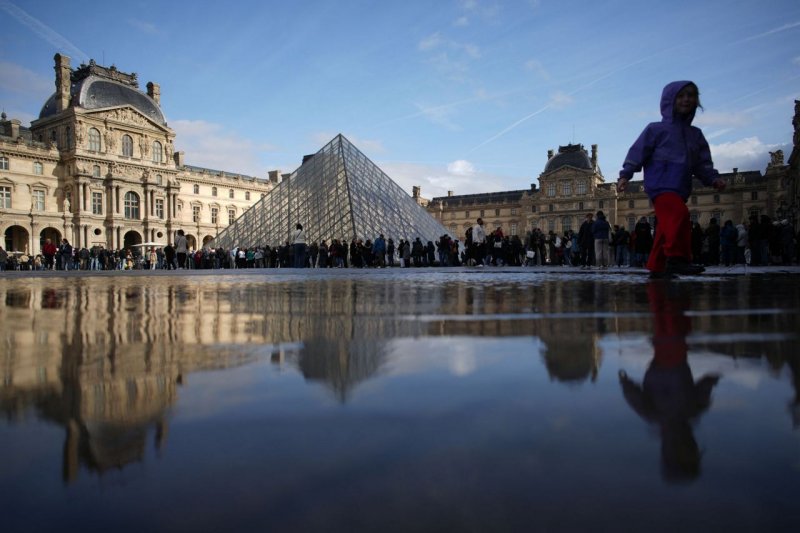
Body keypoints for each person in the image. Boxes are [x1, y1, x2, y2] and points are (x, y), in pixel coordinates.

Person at [618, 81, 726, 278]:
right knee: (680, 215)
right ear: (670, 100)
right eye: (681, 95)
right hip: (660, 185)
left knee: (666, 228)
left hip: (680, 187)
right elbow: (637, 152)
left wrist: (713, 178)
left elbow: (702, 163)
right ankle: (677, 258)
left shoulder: (695, 135)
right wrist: (626, 174)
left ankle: (657, 266)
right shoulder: (655, 129)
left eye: (691, 95)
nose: (686, 99)